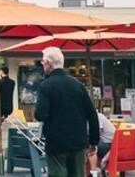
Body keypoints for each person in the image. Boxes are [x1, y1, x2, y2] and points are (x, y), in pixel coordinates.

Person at [35, 47, 99, 177]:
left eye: (42, 62)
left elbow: (40, 115)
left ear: (48, 62)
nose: (42, 65)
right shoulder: (77, 85)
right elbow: (92, 114)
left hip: (56, 142)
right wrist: (94, 140)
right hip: (78, 142)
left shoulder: (46, 86)